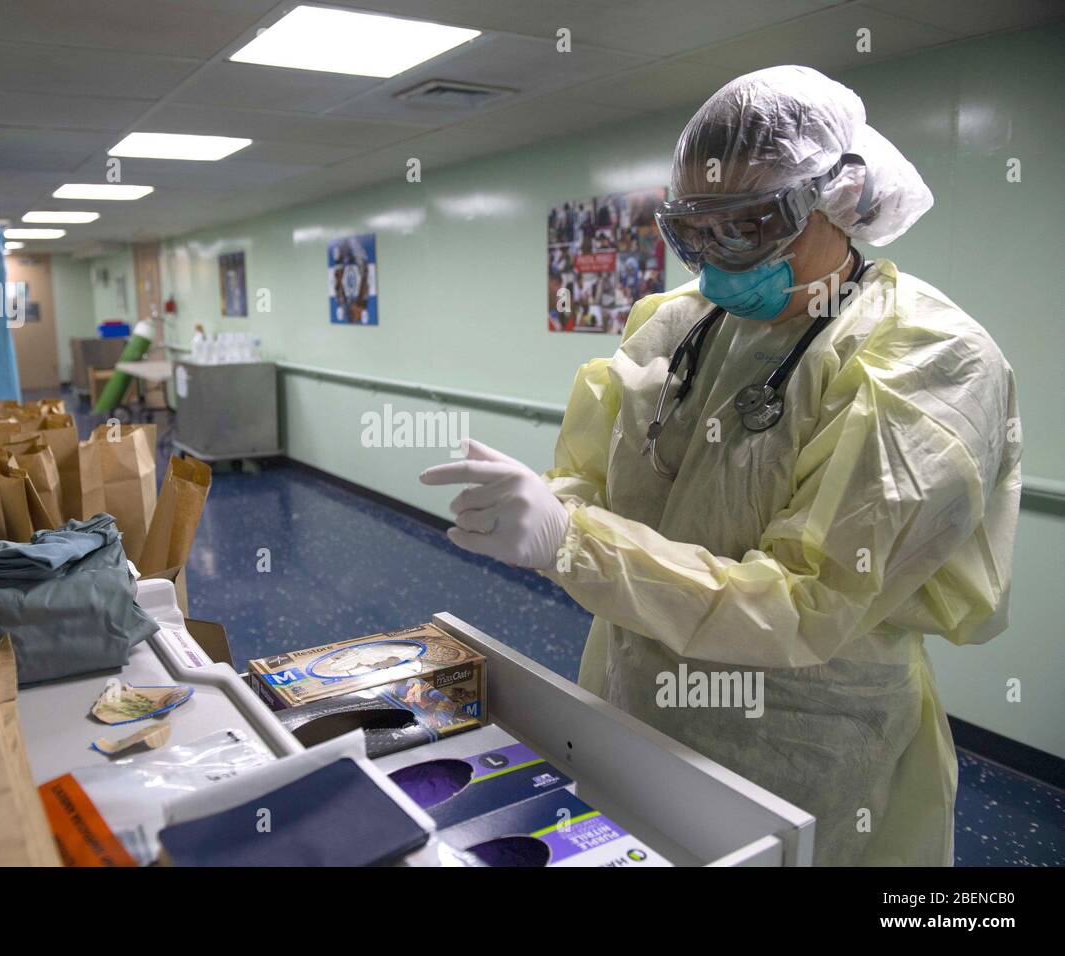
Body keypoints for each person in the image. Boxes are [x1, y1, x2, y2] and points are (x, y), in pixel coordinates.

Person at [420, 65, 1021, 866]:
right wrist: (543, 507)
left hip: (799, 733)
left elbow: (808, 605)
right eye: (693, 231)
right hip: (631, 691)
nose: (714, 256)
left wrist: (575, 542)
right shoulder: (678, 324)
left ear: (837, 201)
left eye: (748, 225)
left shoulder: (927, 359)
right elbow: (595, 481)